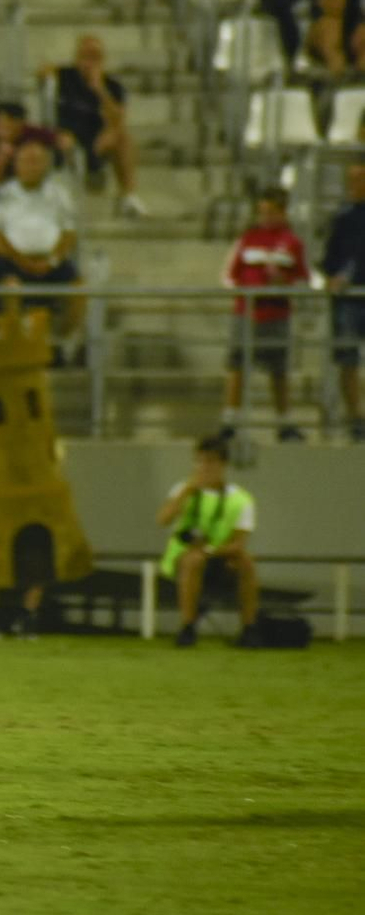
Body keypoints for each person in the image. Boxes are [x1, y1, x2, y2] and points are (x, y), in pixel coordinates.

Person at [221, 187, 310, 443]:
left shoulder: (292, 243)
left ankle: (284, 423)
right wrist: (246, 291)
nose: (265, 217)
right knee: (237, 365)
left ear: (282, 212)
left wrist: (284, 282)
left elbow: (303, 278)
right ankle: (230, 421)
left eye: (271, 212)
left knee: (278, 369)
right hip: (247, 312)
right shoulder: (248, 238)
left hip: (277, 313)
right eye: (262, 212)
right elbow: (229, 275)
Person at [157, 436, 262, 648]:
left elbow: (238, 543)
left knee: (246, 562)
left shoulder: (241, 499)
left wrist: (210, 551)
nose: (204, 467)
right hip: (184, 556)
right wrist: (187, 490)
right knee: (193, 560)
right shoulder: (183, 490)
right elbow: (163, 519)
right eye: (200, 461)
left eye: (211, 461)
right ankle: (188, 628)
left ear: (223, 464)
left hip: (219, 556)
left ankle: (249, 629)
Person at [0, 140, 84, 361]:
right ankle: (18, 345)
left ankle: (61, 342)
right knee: (11, 288)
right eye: (26, 161)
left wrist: (53, 259)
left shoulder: (59, 194)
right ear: (16, 165)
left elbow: (69, 232)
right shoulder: (4, 193)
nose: (32, 166)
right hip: (14, 261)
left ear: (47, 164)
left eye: (37, 161)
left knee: (79, 289)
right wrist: (19, 259)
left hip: (51, 261)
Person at [50, 36, 146, 217]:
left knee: (122, 138)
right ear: (77, 57)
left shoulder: (112, 86)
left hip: (94, 140)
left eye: (95, 57)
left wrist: (100, 89)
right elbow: (43, 72)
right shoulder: (63, 76)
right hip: (64, 137)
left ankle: (128, 197)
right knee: (61, 140)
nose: (89, 62)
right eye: (85, 55)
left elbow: (118, 120)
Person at [323, 162, 365, 442]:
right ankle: (356, 418)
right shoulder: (343, 217)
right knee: (347, 358)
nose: (355, 186)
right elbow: (330, 259)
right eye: (352, 180)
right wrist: (332, 277)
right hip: (350, 298)